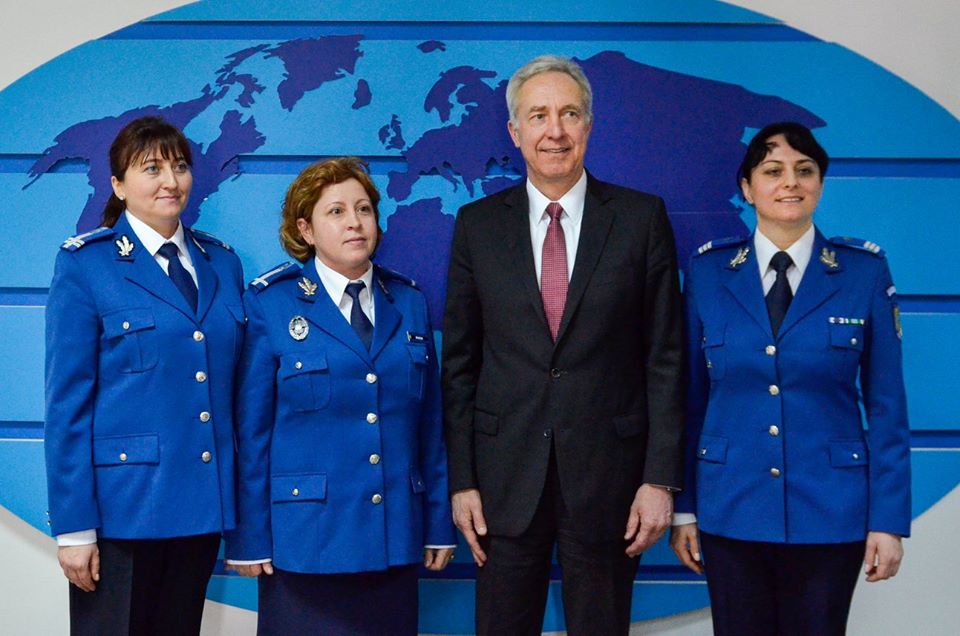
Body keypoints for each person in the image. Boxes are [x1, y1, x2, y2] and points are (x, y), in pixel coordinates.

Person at [442, 55, 684, 635]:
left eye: (570, 114)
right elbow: (460, 365)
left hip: (611, 481)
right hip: (503, 483)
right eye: (539, 115)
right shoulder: (477, 225)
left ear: (589, 126)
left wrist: (659, 479)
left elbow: (666, 359)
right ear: (514, 131)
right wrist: (463, 480)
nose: (555, 130)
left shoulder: (641, 219)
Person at [670, 122, 911, 635]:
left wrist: (888, 521)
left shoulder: (863, 272)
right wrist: (684, 509)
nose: (790, 183)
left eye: (805, 171)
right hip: (731, 506)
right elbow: (688, 399)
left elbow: (888, 405)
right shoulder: (709, 272)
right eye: (772, 171)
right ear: (747, 187)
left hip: (831, 508)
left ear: (820, 183)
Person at [224, 157, 455, 635]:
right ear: (305, 229)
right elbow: (251, 435)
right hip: (306, 541)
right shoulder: (270, 304)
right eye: (336, 211)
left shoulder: (408, 301)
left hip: (393, 537)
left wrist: (437, 524)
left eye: (364, 209)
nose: (355, 222)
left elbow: (429, 427)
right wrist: (249, 538)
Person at [44, 116, 246, 635]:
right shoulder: (87, 265)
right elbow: (67, 406)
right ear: (118, 185)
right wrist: (74, 529)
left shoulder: (222, 263)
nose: (170, 181)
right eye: (151, 168)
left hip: (200, 505)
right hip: (122, 512)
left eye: (179, 167)